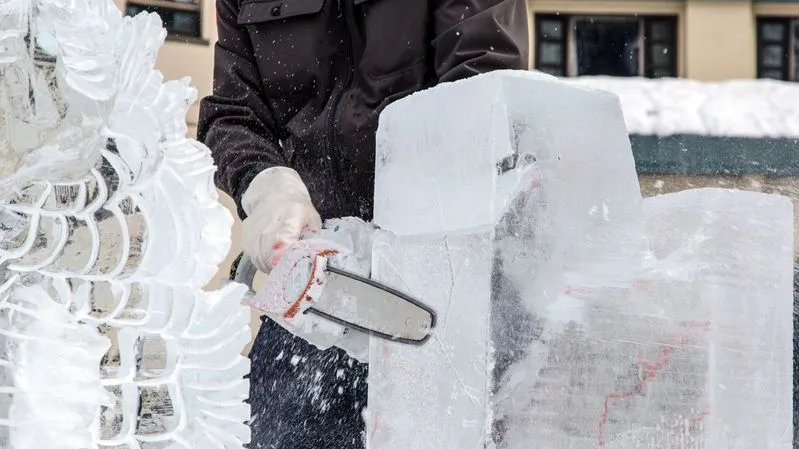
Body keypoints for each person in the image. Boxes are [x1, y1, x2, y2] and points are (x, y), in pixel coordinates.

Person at [197, 1, 529, 447]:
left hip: (441, 278)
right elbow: (234, 113)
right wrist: (269, 187)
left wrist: (415, 226)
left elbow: (482, 84)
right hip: (315, 274)